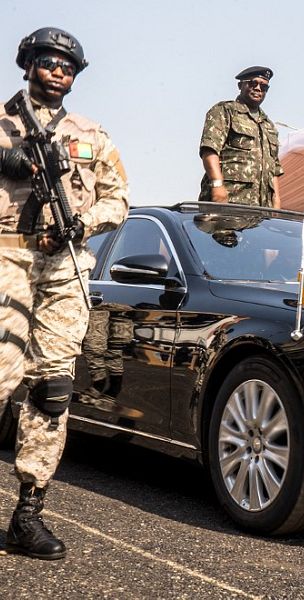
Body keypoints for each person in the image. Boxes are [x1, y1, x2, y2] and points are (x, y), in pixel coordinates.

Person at [0, 27, 128, 560]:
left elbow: (118, 198)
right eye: (49, 62)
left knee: (52, 387)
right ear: (28, 64)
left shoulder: (91, 133)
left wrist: (85, 222)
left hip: (65, 259)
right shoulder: (2, 122)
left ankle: (29, 514)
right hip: (7, 254)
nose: (58, 72)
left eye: (67, 66)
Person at [198, 66, 283, 208]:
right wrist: (217, 184)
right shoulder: (225, 111)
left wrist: (276, 201)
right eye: (252, 83)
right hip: (230, 200)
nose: (258, 88)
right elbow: (209, 150)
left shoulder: (269, 126)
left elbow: (273, 168)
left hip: (262, 209)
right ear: (240, 85)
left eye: (263, 86)